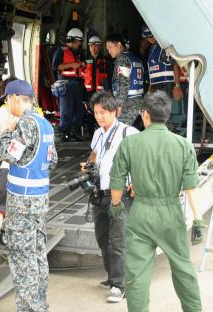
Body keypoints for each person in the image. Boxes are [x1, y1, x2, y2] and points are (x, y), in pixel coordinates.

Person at [109, 90, 205, 312]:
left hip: (141, 212)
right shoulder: (183, 145)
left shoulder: (130, 144)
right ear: (167, 115)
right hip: (171, 214)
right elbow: (191, 187)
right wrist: (198, 219)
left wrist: (115, 206)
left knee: (137, 274)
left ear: (145, 115)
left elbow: (117, 182)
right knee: (183, 268)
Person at [0, 79, 58, 311]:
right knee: (38, 252)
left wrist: (5, 132)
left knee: (23, 258)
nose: (7, 106)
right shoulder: (46, 124)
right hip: (40, 197)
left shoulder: (25, 124)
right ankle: (41, 304)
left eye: (7, 101)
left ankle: (30, 308)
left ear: (14, 99)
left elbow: (8, 154)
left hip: (22, 200)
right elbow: (52, 161)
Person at [84, 91, 138, 303]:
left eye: (103, 112)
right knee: (103, 237)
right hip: (100, 193)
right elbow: (94, 155)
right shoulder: (98, 134)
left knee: (118, 239)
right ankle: (112, 275)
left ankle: (119, 284)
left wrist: (137, 181)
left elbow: (140, 159)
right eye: (96, 112)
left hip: (121, 193)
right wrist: (88, 167)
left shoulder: (129, 132)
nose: (99, 116)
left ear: (116, 111)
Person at [105, 33, 144, 126]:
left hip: (128, 104)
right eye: (107, 49)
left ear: (119, 45)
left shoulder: (122, 59)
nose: (109, 51)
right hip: (138, 101)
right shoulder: (135, 58)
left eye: (110, 47)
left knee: (120, 131)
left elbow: (123, 83)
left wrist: (119, 104)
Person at [55, 28, 85, 142]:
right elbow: (56, 66)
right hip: (65, 84)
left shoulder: (77, 53)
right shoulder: (61, 51)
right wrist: (73, 64)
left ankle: (74, 132)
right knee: (66, 111)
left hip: (77, 85)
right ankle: (64, 134)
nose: (80, 44)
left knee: (78, 111)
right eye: (79, 42)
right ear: (73, 40)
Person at [142, 26, 183, 101]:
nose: (150, 39)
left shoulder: (164, 47)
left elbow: (175, 64)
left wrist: (177, 85)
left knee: (162, 110)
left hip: (166, 85)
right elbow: (152, 71)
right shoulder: (152, 48)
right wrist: (150, 89)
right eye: (147, 37)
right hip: (155, 86)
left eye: (151, 36)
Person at [83, 35, 109, 136]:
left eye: (96, 46)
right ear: (89, 47)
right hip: (89, 92)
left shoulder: (106, 60)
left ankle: (104, 132)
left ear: (100, 47)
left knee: (102, 112)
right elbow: (82, 77)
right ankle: (91, 135)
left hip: (101, 92)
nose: (93, 48)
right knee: (90, 113)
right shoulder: (85, 60)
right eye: (91, 46)